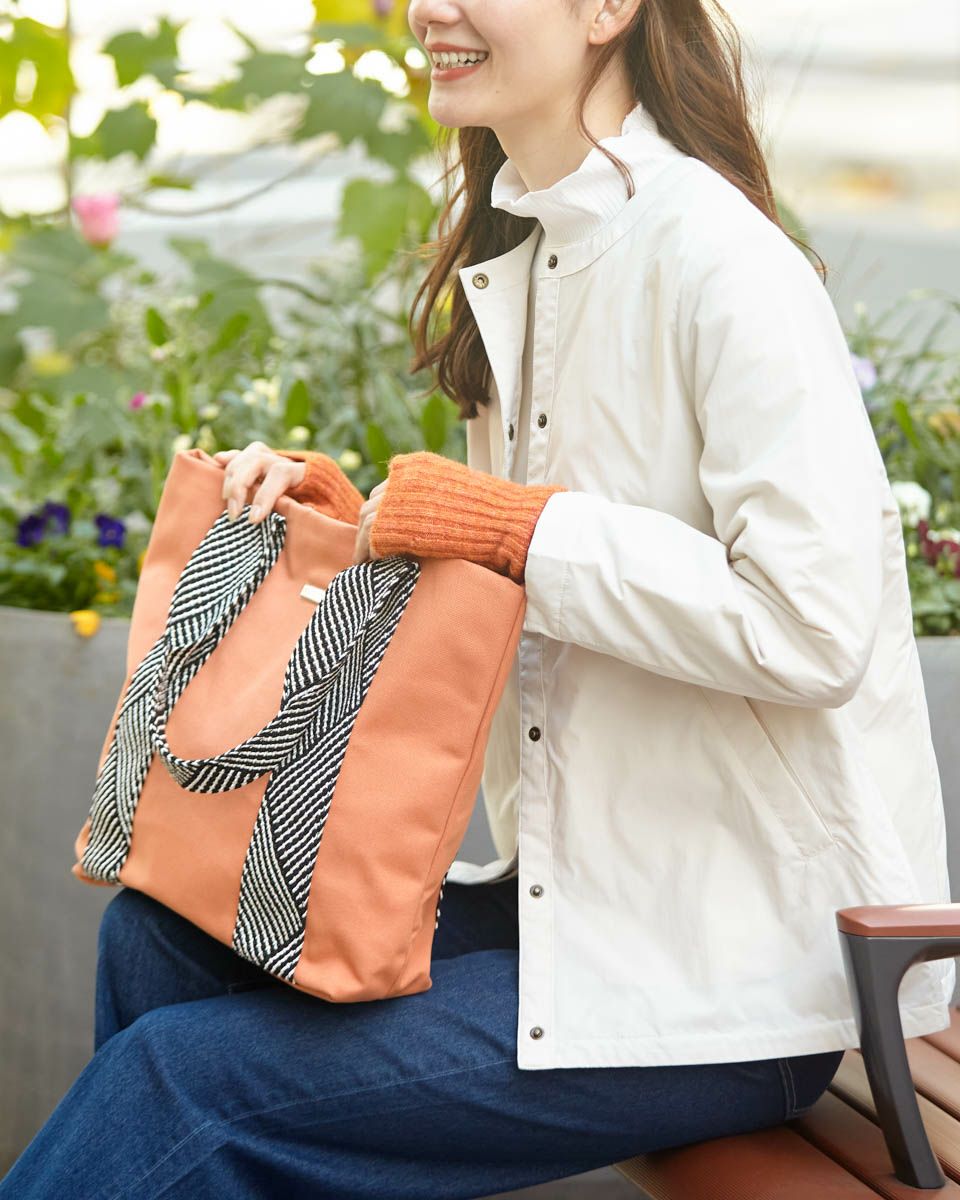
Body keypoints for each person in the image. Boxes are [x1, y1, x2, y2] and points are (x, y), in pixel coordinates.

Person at [3, 0, 953, 1194]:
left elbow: (814, 626)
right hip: (580, 901)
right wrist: (349, 525)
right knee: (160, 936)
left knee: (183, 1088)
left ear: (607, 10)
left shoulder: (721, 259)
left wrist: (513, 525)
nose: (427, 11)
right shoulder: (533, 253)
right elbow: (542, 592)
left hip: (740, 968)